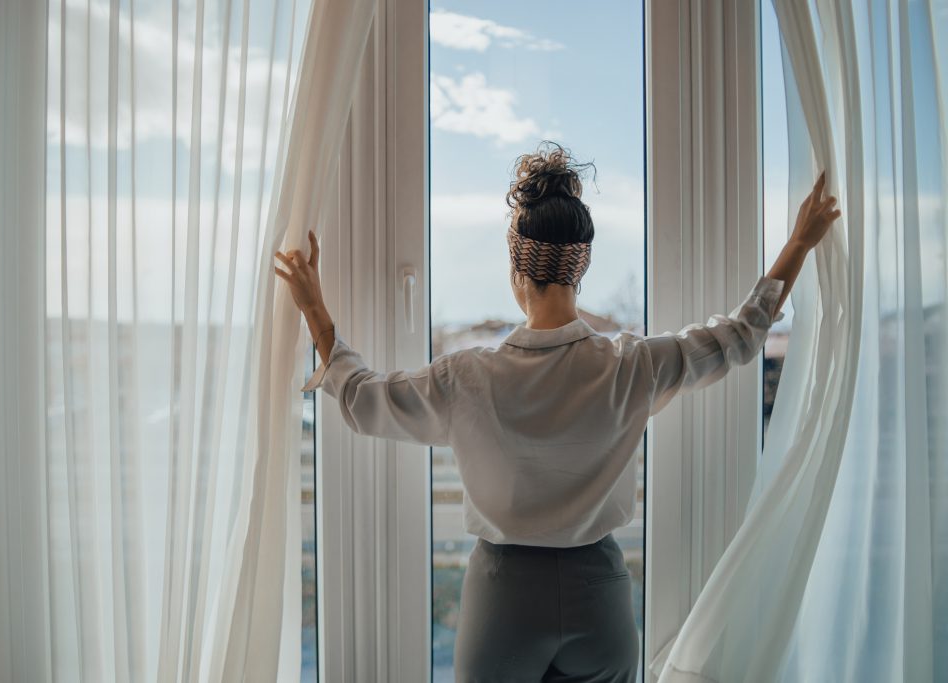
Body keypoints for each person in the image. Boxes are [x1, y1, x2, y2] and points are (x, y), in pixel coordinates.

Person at [274, 141, 840, 683]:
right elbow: (741, 336)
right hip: (601, 597)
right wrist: (798, 243)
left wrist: (314, 307)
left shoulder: (467, 376)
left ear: (517, 270)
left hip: (504, 599)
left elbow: (362, 398)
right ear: (580, 269)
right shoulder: (630, 365)